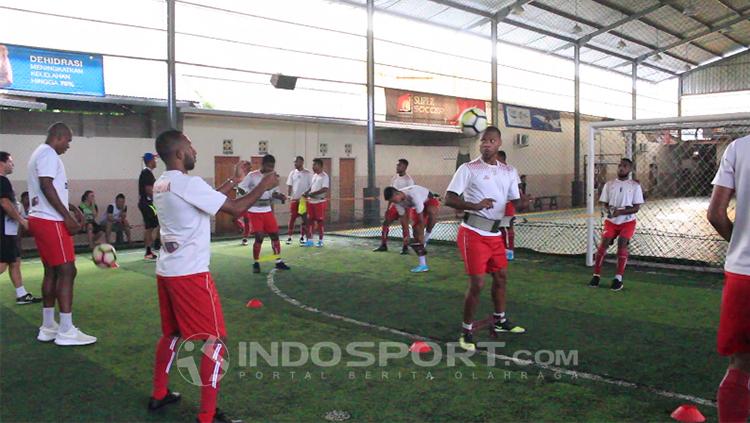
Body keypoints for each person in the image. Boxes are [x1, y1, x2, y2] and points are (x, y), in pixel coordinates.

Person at [147, 129, 278, 423]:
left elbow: (209, 201)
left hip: (167, 270)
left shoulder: (163, 183)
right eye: (191, 147)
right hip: (190, 275)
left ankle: (159, 394)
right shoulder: (188, 183)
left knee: (172, 333)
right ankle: (207, 415)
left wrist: (235, 179)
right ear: (179, 153)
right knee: (214, 341)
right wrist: (264, 185)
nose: (195, 151)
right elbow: (236, 209)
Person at [443, 126, 525, 352]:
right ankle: (466, 330)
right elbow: (448, 199)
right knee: (477, 283)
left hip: (495, 234)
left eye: (491, 141)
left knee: (501, 277)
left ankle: (500, 320)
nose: (486, 144)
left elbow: (514, 200)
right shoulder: (468, 169)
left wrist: (521, 203)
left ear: (499, 144)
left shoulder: (509, 171)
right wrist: (475, 205)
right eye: (483, 141)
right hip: (473, 233)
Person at [27, 122, 93, 346]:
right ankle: (66, 330)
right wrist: (66, 216)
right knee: (67, 270)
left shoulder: (38, 153)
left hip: (39, 217)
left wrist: (71, 207)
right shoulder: (48, 154)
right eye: (68, 141)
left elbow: (48, 188)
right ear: (59, 136)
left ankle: (48, 326)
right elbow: (47, 186)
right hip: (50, 220)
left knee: (52, 271)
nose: (68, 146)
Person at [707, 134, 750, 423]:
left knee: (741, 362)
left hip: (744, 271)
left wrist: (740, 243)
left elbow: (715, 213)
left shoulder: (739, 147)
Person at [588, 158, 644, 291]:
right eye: (620, 166)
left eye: (625, 166)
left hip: (627, 221)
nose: (621, 168)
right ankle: (596, 275)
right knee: (603, 244)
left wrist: (621, 212)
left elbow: (636, 208)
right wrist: (609, 210)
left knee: (622, 243)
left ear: (630, 169)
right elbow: (605, 203)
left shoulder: (635, 186)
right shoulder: (609, 184)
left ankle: (618, 278)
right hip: (612, 221)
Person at [237, 154, 290, 274]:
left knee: (275, 235)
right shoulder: (252, 176)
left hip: (267, 210)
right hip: (254, 211)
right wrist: (247, 195)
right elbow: (240, 188)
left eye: (272, 166)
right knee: (259, 237)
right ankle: (256, 262)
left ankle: (278, 261)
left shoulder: (273, 177)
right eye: (268, 166)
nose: (271, 169)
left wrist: (279, 195)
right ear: (263, 164)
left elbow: (274, 192)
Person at [0, 152, 41, 304]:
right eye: (10, 162)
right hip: (3, 229)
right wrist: (21, 220)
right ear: (2, 163)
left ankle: (21, 294)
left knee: (15, 261)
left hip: (8, 229)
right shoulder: (2, 180)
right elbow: (4, 203)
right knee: (3, 264)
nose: (13, 164)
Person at [383, 184, 440, 273]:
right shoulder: (397, 202)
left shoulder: (414, 194)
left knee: (431, 212)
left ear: (397, 194)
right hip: (415, 207)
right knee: (416, 233)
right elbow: (404, 219)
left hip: (429, 200)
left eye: (393, 200)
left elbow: (421, 221)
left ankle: (427, 236)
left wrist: (423, 238)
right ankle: (423, 265)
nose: (394, 202)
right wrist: (407, 236)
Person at [373, 159, 414, 254]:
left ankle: (405, 247)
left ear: (405, 167)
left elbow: (410, 196)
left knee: (405, 226)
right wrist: (388, 208)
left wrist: (406, 208)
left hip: (405, 207)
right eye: (397, 165)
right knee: (385, 223)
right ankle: (383, 245)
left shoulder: (409, 181)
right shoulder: (394, 178)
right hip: (395, 206)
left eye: (399, 165)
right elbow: (390, 194)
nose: (397, 167)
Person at [497, 151, 521, 260]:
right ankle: (505, 250)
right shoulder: (495, 170)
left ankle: (510, 250)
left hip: (508, 202)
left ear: (502, 158)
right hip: (498, 203)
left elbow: (517, 186)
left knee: (508, 226)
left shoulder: (511, 170)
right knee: (501, 227)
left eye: (497, 158)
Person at [286, 156, 313, 246]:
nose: (295, 164)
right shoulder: (292, 173)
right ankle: (289, 237)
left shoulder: (308, 173)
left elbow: (311, 186)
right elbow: (289, 185)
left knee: (304, 219)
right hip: (294, 199)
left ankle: (303, 237)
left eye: (296, 162)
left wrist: (306, 193)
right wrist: (289, 196)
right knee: (292, 218)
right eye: (294, 162)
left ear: (301, 162)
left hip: (304, 201)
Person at [139, 152, 160, 260]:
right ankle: (149, 251)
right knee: (150, 227)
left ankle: (155, 245)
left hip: (147, 204)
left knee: (153, 226)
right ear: (150, 161)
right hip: (147, 204)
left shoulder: (147, 173)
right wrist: (158, 200)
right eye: (155, 160)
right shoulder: (146, 173)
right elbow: (149, 190)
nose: (156, 161)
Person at [303, 159, 329, 247]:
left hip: (319, 202)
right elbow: (311, 187)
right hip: (311, 202)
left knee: (320, 221)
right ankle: (310, 240)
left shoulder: (325, 176)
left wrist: (312, 194)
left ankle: (320, 240)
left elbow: (325, 189)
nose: (313, 167)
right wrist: (306, 193)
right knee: (310, 221)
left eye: (315, 165)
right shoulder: (314, 176)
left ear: (320, 166)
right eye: (313, 165)